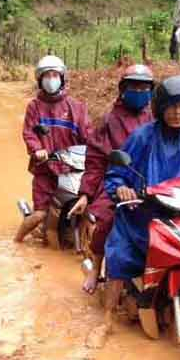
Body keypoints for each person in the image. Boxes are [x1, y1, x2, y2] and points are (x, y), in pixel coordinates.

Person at [99, 75, 180, 336]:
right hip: (146, 213)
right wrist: (121, 189)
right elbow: (115, 174)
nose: (177, 112)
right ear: (160, 108)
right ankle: (107, 319)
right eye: (171, 105)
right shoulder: (142, 137)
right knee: (121, 254)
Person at [69, 64, 154, 294]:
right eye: (134, 86)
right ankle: (96, 269)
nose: (139, 91)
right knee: (106, 221)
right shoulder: (109, 120)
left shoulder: (156, 119)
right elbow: (95, 160)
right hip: (116, 183)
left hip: (150, 184)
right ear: (123, 89)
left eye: (144, 87)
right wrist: (86, 194)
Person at [14, 55, 93, 243]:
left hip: (72, 169)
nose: (51, 79)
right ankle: (17, 241)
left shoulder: (77, 107)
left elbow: (89, 135)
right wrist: (37, 150)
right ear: (40, 80)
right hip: (45, 169)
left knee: (90, 205)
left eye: (55, 75)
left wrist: (96, 151)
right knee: (40, 214)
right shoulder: (34, 107)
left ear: (62, 78)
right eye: (47, 75)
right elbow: (29, 133)